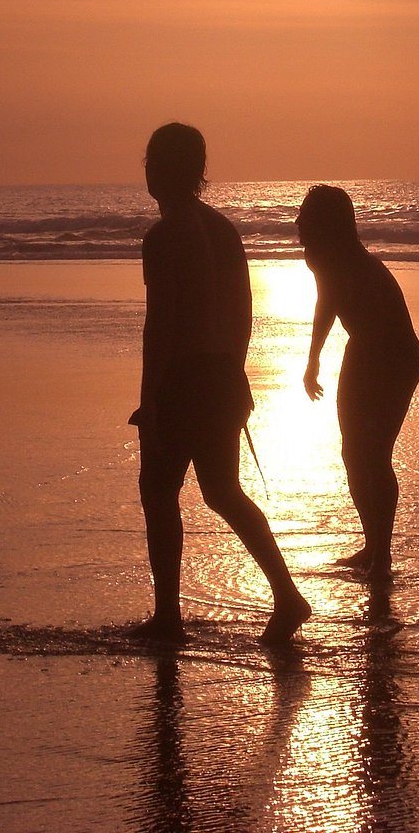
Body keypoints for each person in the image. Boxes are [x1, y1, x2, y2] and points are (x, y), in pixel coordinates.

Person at [131, 123, 310, 645]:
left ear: (165, 170)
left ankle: (168, 616)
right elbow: (243, 313)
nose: (149, 172)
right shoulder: (222, 229)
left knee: (159, 491)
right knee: (223, 491)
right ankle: (286, 595)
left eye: (153, 163)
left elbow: (159, 323)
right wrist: (236, 373)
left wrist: (149, 402)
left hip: (184, 379)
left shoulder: (163, 236)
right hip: (221, 374)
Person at [296, 186, 419, 581]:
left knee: (374, 454)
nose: (299, 224)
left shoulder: (348, 259)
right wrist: (313, 357)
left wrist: (317, 359)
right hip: (364, 349)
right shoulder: (324, 257)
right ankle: (373, 545)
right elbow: (326, 303)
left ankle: (381, 556)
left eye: (307, 217)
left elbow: (334, 303)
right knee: (353, 454)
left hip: (395, 354)